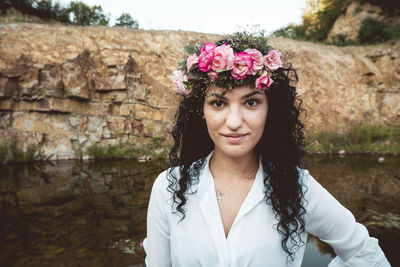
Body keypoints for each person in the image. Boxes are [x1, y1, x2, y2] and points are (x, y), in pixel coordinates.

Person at [142, 32, 390, 267]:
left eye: (251, 102)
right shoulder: (169, 187)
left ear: (270, 110)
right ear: (201, 112)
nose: (234, 122)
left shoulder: (297, 187)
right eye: (218, 103)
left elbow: (364, 253)